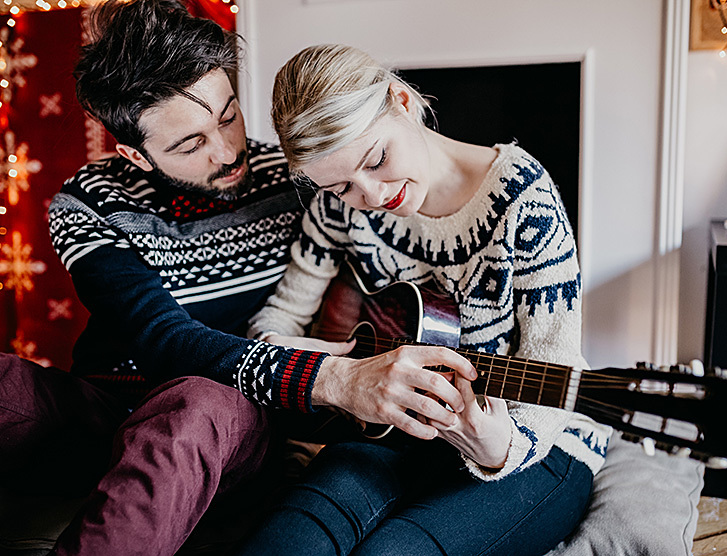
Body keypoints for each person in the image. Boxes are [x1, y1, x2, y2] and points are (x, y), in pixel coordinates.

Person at [1, 3, 479, 555]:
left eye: (228, 117)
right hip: (106, 416)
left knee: (195, 405)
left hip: (231, 424)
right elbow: (166, 342)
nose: (228, 153)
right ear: (136, 154)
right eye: (190, 144)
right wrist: (337, 379)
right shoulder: (90, 201)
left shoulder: (304, 178)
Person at [240, 43, 613, 556]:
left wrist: (498, 446)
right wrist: (319, 365)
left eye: (378, 159)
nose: (371, 196)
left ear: (403, 101)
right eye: (343, 185)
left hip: (537, 442)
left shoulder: (522, 200)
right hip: (393, 431)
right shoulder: (339, 208)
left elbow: (555, 363)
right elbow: (280, 316)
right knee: (286, 544)